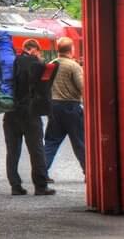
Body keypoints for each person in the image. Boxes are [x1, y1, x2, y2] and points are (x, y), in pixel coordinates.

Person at [4, 39, 55, 196]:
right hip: (30, 112)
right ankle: (40, 186)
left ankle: (15, 186)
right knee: (36, 150)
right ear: (34, 49)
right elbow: (44, 90)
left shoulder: (11, 62)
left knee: (12, 151)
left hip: (10, 112)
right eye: (38, 51)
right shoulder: (36, 63)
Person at [43, 37, 85, 177]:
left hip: (53, 106)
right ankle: (89, 172)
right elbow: (83, 87)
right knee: (80, 142)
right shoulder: (73, 66)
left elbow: (44, 86)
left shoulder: (51, 65)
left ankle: (42, 173)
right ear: (71, 49)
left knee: (51, 142)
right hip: (71, 106)